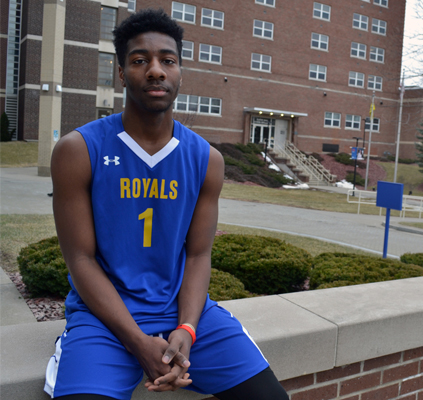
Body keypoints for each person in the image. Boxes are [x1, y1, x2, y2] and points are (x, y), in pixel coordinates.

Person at [44, 8, 289, 400]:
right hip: (104, 320)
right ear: (122, 73)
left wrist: (187, 329)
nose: (155, 70)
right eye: (140, 60)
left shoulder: (206, 158)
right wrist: (138, 342)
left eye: (167, 60)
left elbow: (198, 256)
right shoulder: (79, 150)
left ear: (180, 71)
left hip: (188, 316)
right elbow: (81, 260)